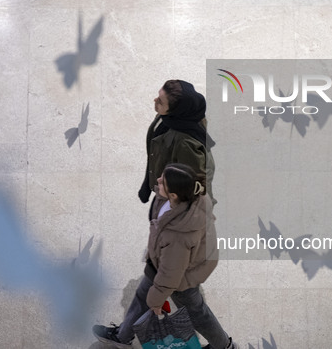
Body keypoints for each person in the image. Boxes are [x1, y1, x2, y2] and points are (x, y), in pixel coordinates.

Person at [93, 163, 237, 349]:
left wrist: (157, 301)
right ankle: (123, 336)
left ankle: (224, 346)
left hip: (182, 276)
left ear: (174, 195)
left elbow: (171, 274)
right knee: (145, 295)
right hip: (171, 263)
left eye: (163, 182)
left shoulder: (179, 234)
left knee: (196, 312)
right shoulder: (186, 196)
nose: (158, 181)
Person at [138, 80, 216, 210]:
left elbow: (195, 185)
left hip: (176, 204)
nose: (155, 100)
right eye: (158, 96)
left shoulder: (186, 143)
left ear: (176, 111)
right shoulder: (169, 118)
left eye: (160, 101)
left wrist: (179, 216)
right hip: (165, 191)